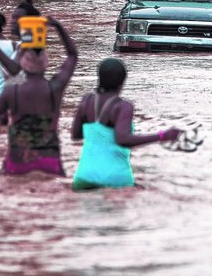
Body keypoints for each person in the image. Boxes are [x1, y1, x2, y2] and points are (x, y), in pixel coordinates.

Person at [0, 17, 78, 175]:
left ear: (23, 65)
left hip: (19, 163)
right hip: (50, 162)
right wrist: (58, 26)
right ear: (46, 64)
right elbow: (72, 56)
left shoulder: (12, 91)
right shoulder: (55, 88)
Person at [71, 59, 181, 189]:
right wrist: (162, 136)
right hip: (116, 179)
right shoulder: (123, 106)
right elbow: (122, 139)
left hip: (84, 177)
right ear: (122, 82)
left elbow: (76, 135)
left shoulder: (86, 100)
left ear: (99, 78)